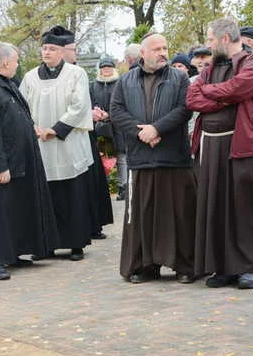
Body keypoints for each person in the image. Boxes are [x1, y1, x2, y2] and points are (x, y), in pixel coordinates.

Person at [186, 18, 253, 289]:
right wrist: (224, 98)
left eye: (211, 40)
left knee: (244, 206)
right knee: (217, 205)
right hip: (211, 145)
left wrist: (212, 94)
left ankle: (247, 267)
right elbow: (192, 98)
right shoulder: (209, 68)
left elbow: (241, 88)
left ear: (225, 38)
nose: (208, 45)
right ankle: (222, 267)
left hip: (243, 144)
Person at [110, 33, 197, 283]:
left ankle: (185, 266)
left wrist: (157, 129)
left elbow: (184, 108)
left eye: (165, 48)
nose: (163, 53)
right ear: (143, 54)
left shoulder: (180, 77)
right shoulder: (125, 80)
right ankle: (145, 266)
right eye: (157, 48)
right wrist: (142, 133)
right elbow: (116, 111)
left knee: (180, 215)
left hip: (173, 158)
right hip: (141, 158)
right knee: (142, 217)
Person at [0, 42, 60, 280]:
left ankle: (14, 253)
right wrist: (1, 166)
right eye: (17, 60)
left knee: (13, 209)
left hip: (18, 158)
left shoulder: (5, 82)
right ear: (6, 62)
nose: (18, 65)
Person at [19, 26, 95, 261]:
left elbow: (80, 105)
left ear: (62, 51)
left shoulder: (76, 74)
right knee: (45, 196)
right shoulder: (30, 77)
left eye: (52, 49)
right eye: (44, 48)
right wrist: (32, 127)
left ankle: (76, 244)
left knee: (72, 195)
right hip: (41, 144)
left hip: (67, 143)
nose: (47, 52)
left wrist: (56, 129)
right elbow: (21, 106)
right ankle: (46, 244)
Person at [59, 30, 113, 239]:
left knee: (90, 181)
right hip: (65, 133)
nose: (76, 53)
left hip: (84, 133)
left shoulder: (78, 72)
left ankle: (93, 223)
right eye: (74, 50)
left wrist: (91, 113)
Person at [90, 55, 127, 201]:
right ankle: (112, 189)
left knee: (121, 156)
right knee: (107, 158)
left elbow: (124, 105)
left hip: (118, 126)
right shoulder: (93, 85)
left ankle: (124, 186)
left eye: (109, 67)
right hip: (102, 126)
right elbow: (90, 102)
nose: (106, 70)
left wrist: (109, 115)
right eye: (103, 68)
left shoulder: (120, 83)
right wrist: (97, 114)